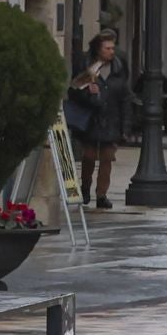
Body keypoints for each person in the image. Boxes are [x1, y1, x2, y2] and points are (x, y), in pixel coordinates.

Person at [67, 32, 130, 209]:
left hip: (111, 119)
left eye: (112, 48)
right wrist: (89, 93)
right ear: (98, 49)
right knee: (89, 157)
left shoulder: (118, 67)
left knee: (107, 158)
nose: (111, 51)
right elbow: (73, 90)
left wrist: (125, 126)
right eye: (107, 48)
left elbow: (124, 97)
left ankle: (102, 194)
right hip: (91, 119)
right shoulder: (86, 65)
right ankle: (85, 188)